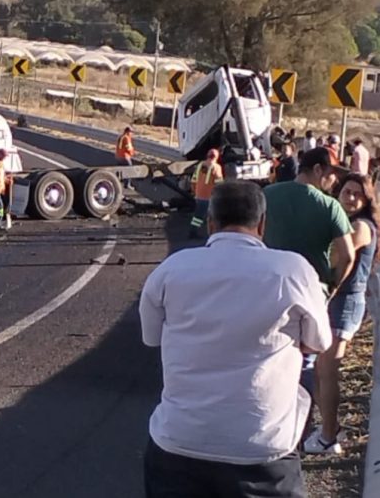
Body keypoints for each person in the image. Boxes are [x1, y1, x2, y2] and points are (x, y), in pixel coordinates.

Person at [140, 181, 331, 498]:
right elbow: (319, 342)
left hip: (178, 444)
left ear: (211, 223)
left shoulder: (171, 270)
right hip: (264, 452)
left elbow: (152, 337)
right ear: (262, 224)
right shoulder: (292, 271)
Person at [264, 147, 355, 399]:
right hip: (310, 292)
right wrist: (333, 285)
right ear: (317, 170)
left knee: (269, 353)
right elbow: (348, 255)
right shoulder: (330, 207)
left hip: (268, 288)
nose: (334, 180)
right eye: (331, 174)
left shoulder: (267, 195)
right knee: (305, 358)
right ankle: (299, 421)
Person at [304, 174, 379, 455]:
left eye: (356, 194)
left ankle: (328, 436)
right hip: (337, 301)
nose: (350, 198)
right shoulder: (347, 222)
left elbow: (337, 257)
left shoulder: (360, 226)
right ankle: (329, 428)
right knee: (323, 371)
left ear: (366, 199)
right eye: (346, 192)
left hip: (345, 302)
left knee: (328, 369)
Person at [188, 148, 222, 238]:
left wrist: (194, 192)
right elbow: (219, 184)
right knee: (213, 215)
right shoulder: (216, 167)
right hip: (209, 196)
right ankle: (213, 233)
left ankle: (193, 231)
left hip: (199, 195)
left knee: (198, 215)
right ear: (216, 157)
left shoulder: (200, 165)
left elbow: (193, 180)